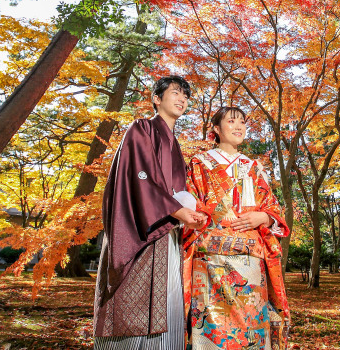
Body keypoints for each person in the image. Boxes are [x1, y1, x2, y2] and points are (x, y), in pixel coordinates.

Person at [93, 75, 206, 350]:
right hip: (139, 228)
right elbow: (138, 179)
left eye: (186, 95)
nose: (182, 98)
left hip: (167, 232)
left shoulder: (174, 143)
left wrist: (187, 212)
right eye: (176, 92)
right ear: (157, 99)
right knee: (133, 294)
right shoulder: (141, 128)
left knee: (168, 297)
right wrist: (177, 210)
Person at [183, 106, 290, 350]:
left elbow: (272, 207)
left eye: (242, 122)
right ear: (216, 129)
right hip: (210, 258)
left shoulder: (253, 167)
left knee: (251, 320)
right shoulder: (199, 163)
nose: (239, 126)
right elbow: (190, 203)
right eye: (231, 121)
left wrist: (262, 217)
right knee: (210, 326)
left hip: (249, 257)